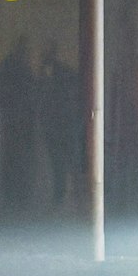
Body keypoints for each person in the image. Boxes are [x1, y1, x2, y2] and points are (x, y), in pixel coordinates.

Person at [0, 36, 39, 213]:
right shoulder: (19, 68)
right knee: (19, 157)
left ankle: (14, 193)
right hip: (19, 119)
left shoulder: (9, 66)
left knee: (14, 156)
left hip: (14, 119)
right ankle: (18, 193)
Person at [41, 42, 84, 211]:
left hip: (62, 125)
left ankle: (66, 196)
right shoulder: (56, 75)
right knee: (61, 163)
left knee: (66, 162)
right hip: (57, 125)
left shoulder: (61, 75)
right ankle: (62, 195)